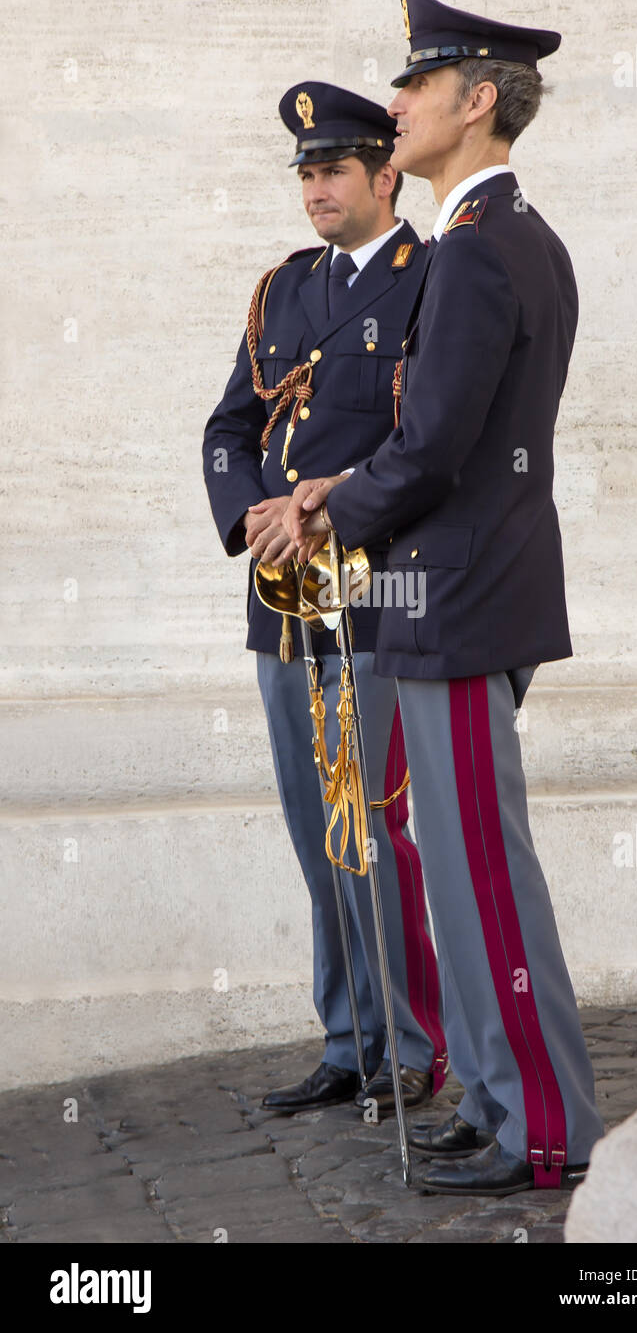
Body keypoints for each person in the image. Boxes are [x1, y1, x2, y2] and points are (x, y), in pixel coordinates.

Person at [284, 0, 606, 1195]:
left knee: (482, 871)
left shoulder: (480, 247)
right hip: (449, 595)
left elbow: (436, 449)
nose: (399, 99)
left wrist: (324, 502)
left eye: (419, 84)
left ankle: (542, 1126)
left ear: (479, 102)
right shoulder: (502, 236)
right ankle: (488, 1092)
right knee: (457, 869)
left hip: (462, 598)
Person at [202, 81, 446, 1120]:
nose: (315, 189)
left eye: (333, 170)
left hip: (378, 590)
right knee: (314, 825)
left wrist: (329, 507)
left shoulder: (432, 280)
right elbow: (228, 428)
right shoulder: (283, 294)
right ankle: (348, 1037)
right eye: (304, 173)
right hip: (283, 598)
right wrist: (253, 510)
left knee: (370, 824)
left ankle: (411, 1040)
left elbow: (427, 444)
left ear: (385, 175)